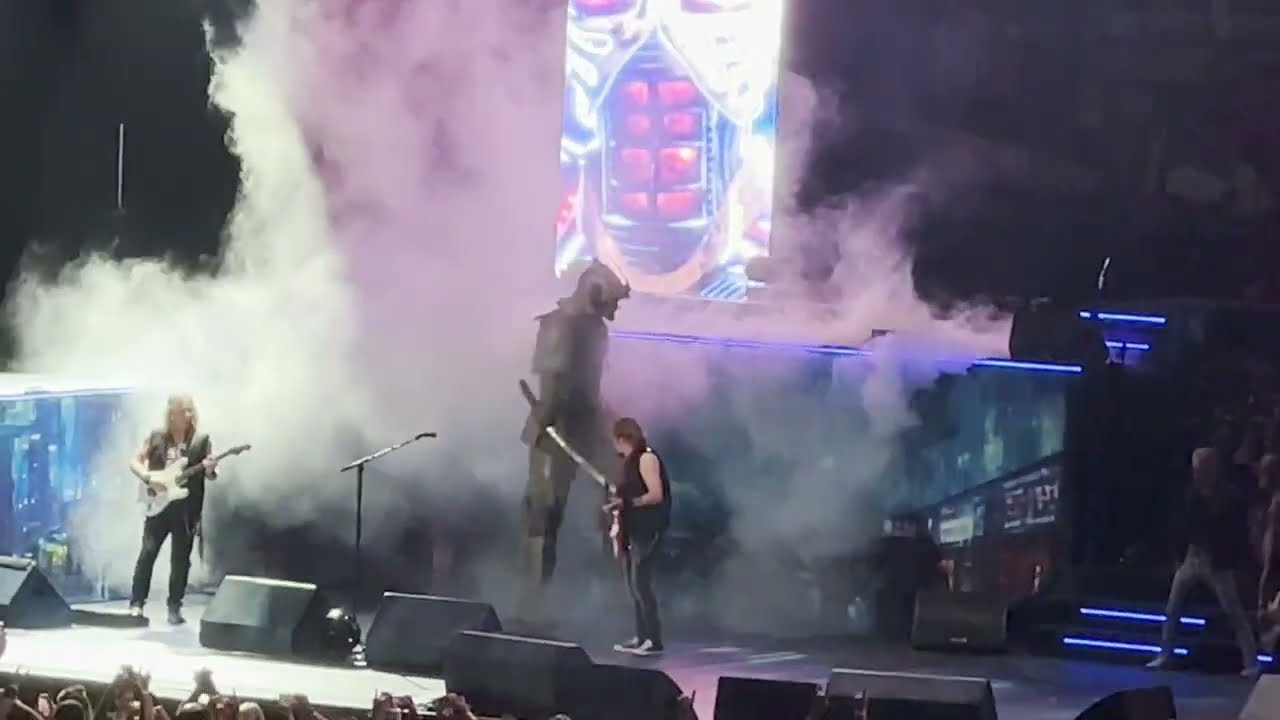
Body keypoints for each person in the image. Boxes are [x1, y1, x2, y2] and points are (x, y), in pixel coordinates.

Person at [519, 261, 629, 622]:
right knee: (545, 514)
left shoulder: (595, 328)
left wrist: (611, 426)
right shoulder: (559, 325)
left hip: (587, 426)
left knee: (615, 503)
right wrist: (544, 428)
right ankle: (535, 602)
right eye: (612, 301)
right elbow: (552, 389)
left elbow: (589, 389)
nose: (615, 309)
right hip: (556, 432)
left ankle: (613, 597)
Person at [1147, 447, 1259, 676]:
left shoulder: (1227, 495)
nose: (1197, 473)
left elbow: (1232, 529)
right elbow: (1184, 525)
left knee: (1233, 611)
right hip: (1193, 556)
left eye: (1201, 469)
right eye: (1196, 469)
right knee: (1173, 607)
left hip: (1217, 561)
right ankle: (1165, 654)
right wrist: (1179, 555)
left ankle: (1251, 661)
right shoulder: (1192, 495)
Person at [129, 394, 218, 624]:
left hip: (186, 509)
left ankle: (174, 607)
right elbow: (135, 461)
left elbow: (210, 474)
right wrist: (148, 477)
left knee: (180, 560)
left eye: (189, 410)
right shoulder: (157, 437)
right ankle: (136, 604)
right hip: (158, 505)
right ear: (171, 413)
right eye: (182, 410)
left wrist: (210, 469)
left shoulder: (200, 440)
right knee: (147, 554)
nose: (187, 415)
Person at [608, 417, 670, 656]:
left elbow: (655, 495)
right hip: (633, 529)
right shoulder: (629, 463)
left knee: (640, 583)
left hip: (648, 528)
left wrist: (629, 503)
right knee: (632, 585)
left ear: (622, 439)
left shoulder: (646, 458)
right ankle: (641, 636)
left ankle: (653, 639)